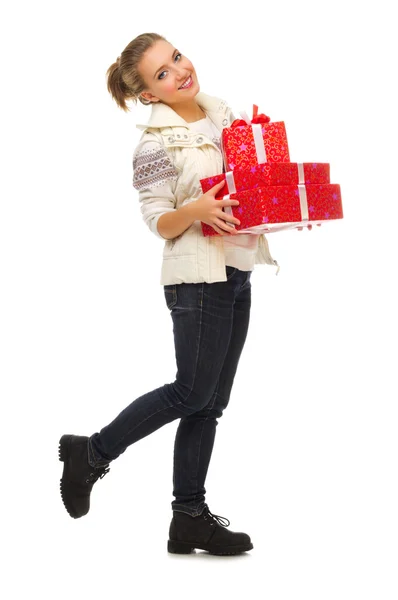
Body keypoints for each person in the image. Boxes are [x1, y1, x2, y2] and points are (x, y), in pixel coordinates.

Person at [58, 32, 279, 555]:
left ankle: (189, 518)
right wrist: (196, 212)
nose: (179, 71)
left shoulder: (223, 116)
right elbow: (158, 219)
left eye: (176, 57)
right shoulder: (153, 145)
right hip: (195, 279)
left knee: (210, 404)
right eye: (162, 73)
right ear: (150, 95)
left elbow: (246, 188)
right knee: (190, 392)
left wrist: (286, 203)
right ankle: (91, 451)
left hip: (236, 268)